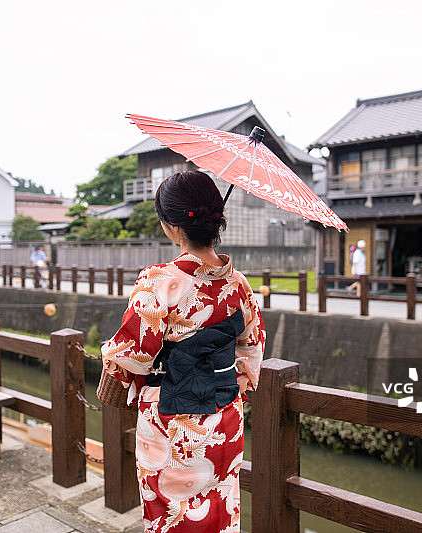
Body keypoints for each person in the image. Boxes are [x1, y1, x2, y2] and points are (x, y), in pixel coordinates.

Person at [100, 170, 266, 532]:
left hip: (173, 422)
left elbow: (130, 355)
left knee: (172, 514)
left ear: (173, 228)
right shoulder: (238, 284)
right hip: (225, 417)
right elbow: (253, 345)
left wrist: (109, 357)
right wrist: (230, 385)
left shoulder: (160, 282)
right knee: (220, 510)